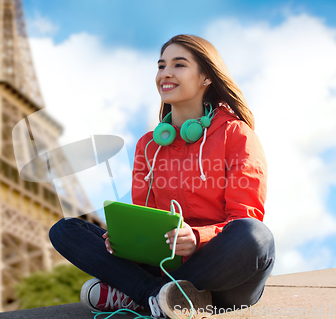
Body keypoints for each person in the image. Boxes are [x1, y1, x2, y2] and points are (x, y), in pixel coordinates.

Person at [49, 34, 275, 319]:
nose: (165, 73)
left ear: (206, 77)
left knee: (256, 236)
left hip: (223, 273)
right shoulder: (148, 145)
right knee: (65, 229)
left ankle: (141, 294)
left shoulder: (236, 134)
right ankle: (159, 297)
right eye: (161, 66)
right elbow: (147, 219)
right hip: (166, 263)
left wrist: (196, 238)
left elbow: (245, 216)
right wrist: (124, 240)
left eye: (179, 65)